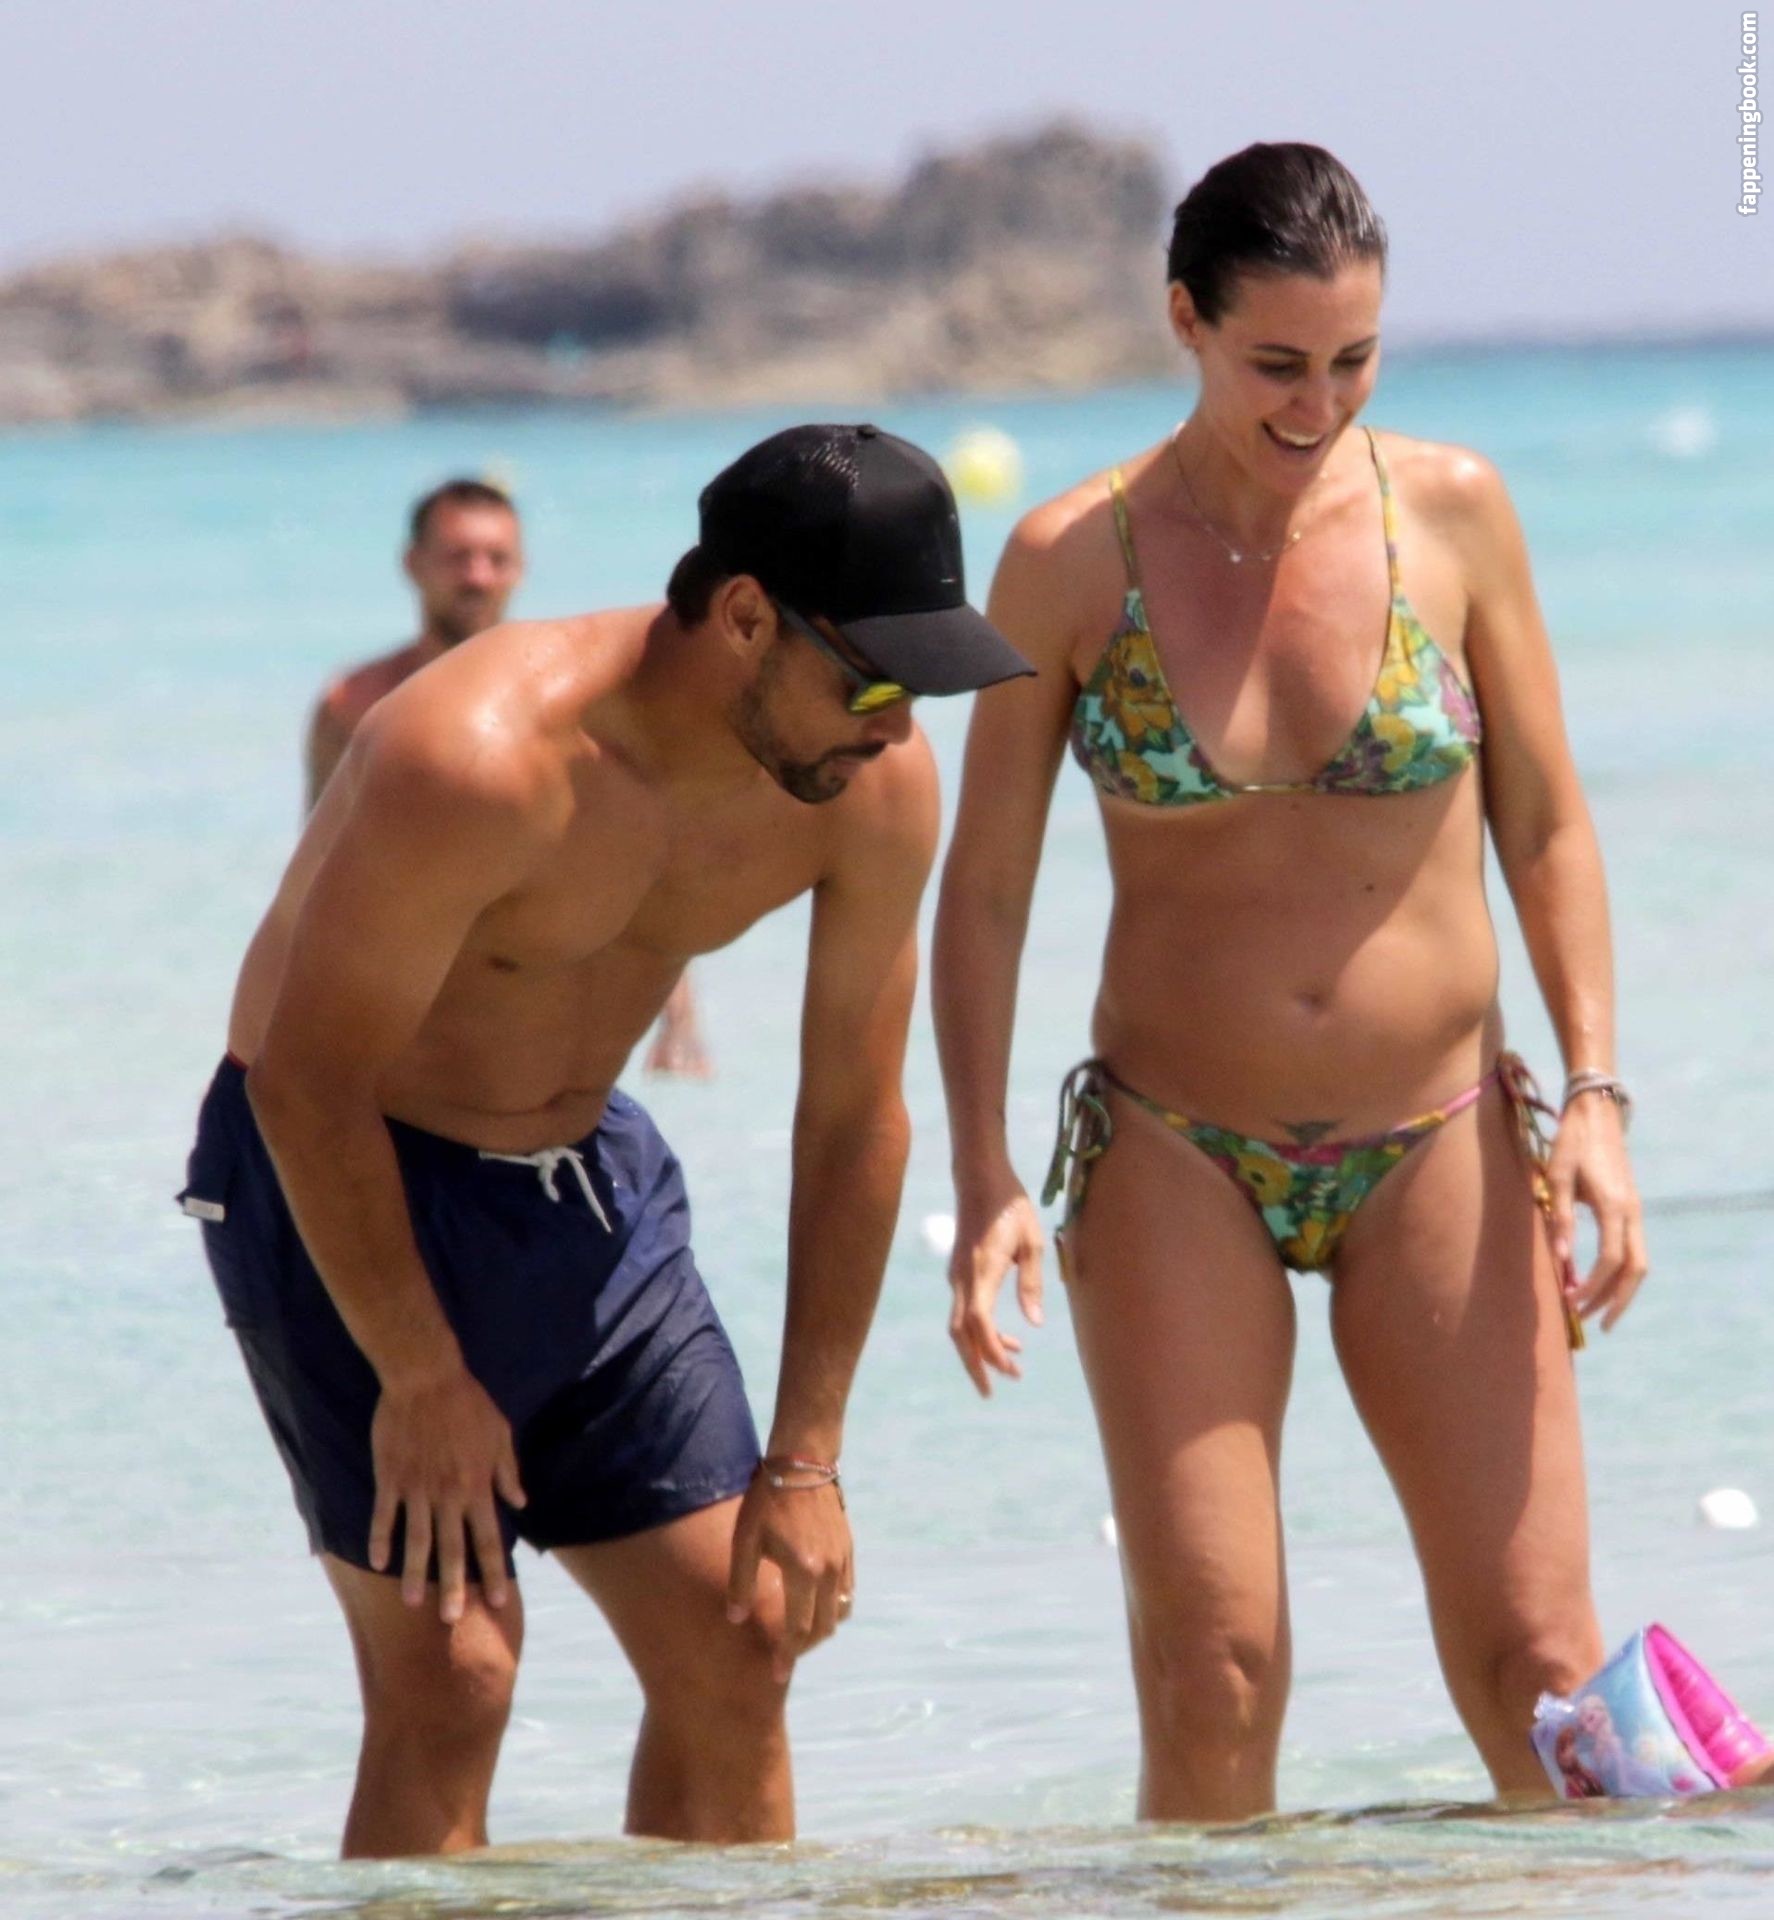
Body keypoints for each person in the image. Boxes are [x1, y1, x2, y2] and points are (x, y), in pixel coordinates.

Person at [179, 423, 1030, 1856]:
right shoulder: (478, 757)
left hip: (582, 1179)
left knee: (742, 1637)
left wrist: (808, 1454)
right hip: (348, 1175)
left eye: (921, 688)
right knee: (454, 1680)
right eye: (874, 681)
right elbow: (305, 1085)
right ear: (745, 615)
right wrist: (420, 1373)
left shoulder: (868, 787)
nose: (896, 728)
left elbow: (850, 1119)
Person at [932, 143, 1648, 1820]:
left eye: (1351, 359)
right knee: (1215, 1670)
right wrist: (979, 1171)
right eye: (1274, 363)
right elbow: (984, 893)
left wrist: (1594, 1095)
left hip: (1440, 1135)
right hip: (1174, 1146)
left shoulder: (1451, 513)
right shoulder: (1067, 560)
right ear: (1182, 320)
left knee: (1541, 1668)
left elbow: (1545, 821)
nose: (1315, 404)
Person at [305, 474, 713, 1076]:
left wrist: (679, 1019)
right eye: (458, 557)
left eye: (497, 558)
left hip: (529, 1010)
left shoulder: (571, 706)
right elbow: (317, 870)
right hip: (393, 1009)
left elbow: (627, 866)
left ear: (520, 569)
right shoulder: (352, 707)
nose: (478, 576)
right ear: (413, 564)